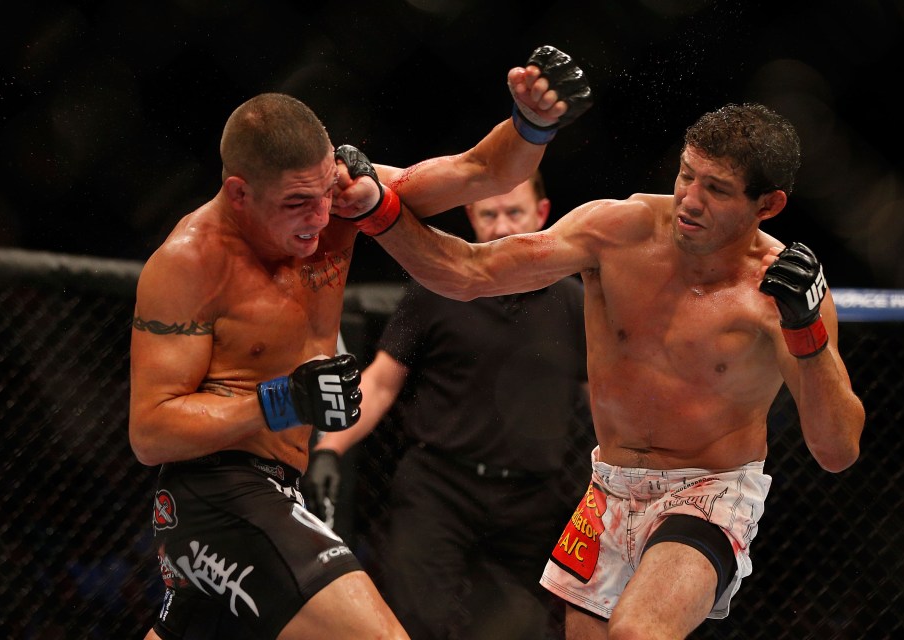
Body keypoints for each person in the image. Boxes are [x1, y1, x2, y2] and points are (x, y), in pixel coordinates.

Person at [341, 102, 867, 639]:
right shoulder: (619, 230)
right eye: (687, 174)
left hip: (710, 489)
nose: (690, 198)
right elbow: (469, 272)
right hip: (608, 484)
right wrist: (377, 213)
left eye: (718, 189)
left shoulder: (778, 295)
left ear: (769, 204)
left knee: (637, 633)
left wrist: (808, 335)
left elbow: (837, 450)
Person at [128, 46, 593, 640]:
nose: (320, 217)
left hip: (274, 485)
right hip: (217, 495)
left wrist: (531, 124)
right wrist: (282, 401)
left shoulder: (341, 199)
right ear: (240, 194)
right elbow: (150, 431)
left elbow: (482, 172)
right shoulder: (190, 263)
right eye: (297, 203)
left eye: (323, 193)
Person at [303, 171, 592, 639]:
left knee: (522, 628)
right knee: (417, 619)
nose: (501, 225)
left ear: (541, 215)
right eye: (489, 213)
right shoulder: (439, 286)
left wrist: (637, 477)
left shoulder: (573, 302)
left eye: (513, 212)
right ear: (472, 218)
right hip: (439, 488)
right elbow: (379, 382)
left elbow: (604, 400)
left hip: (533, 499)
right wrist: (328, 450)